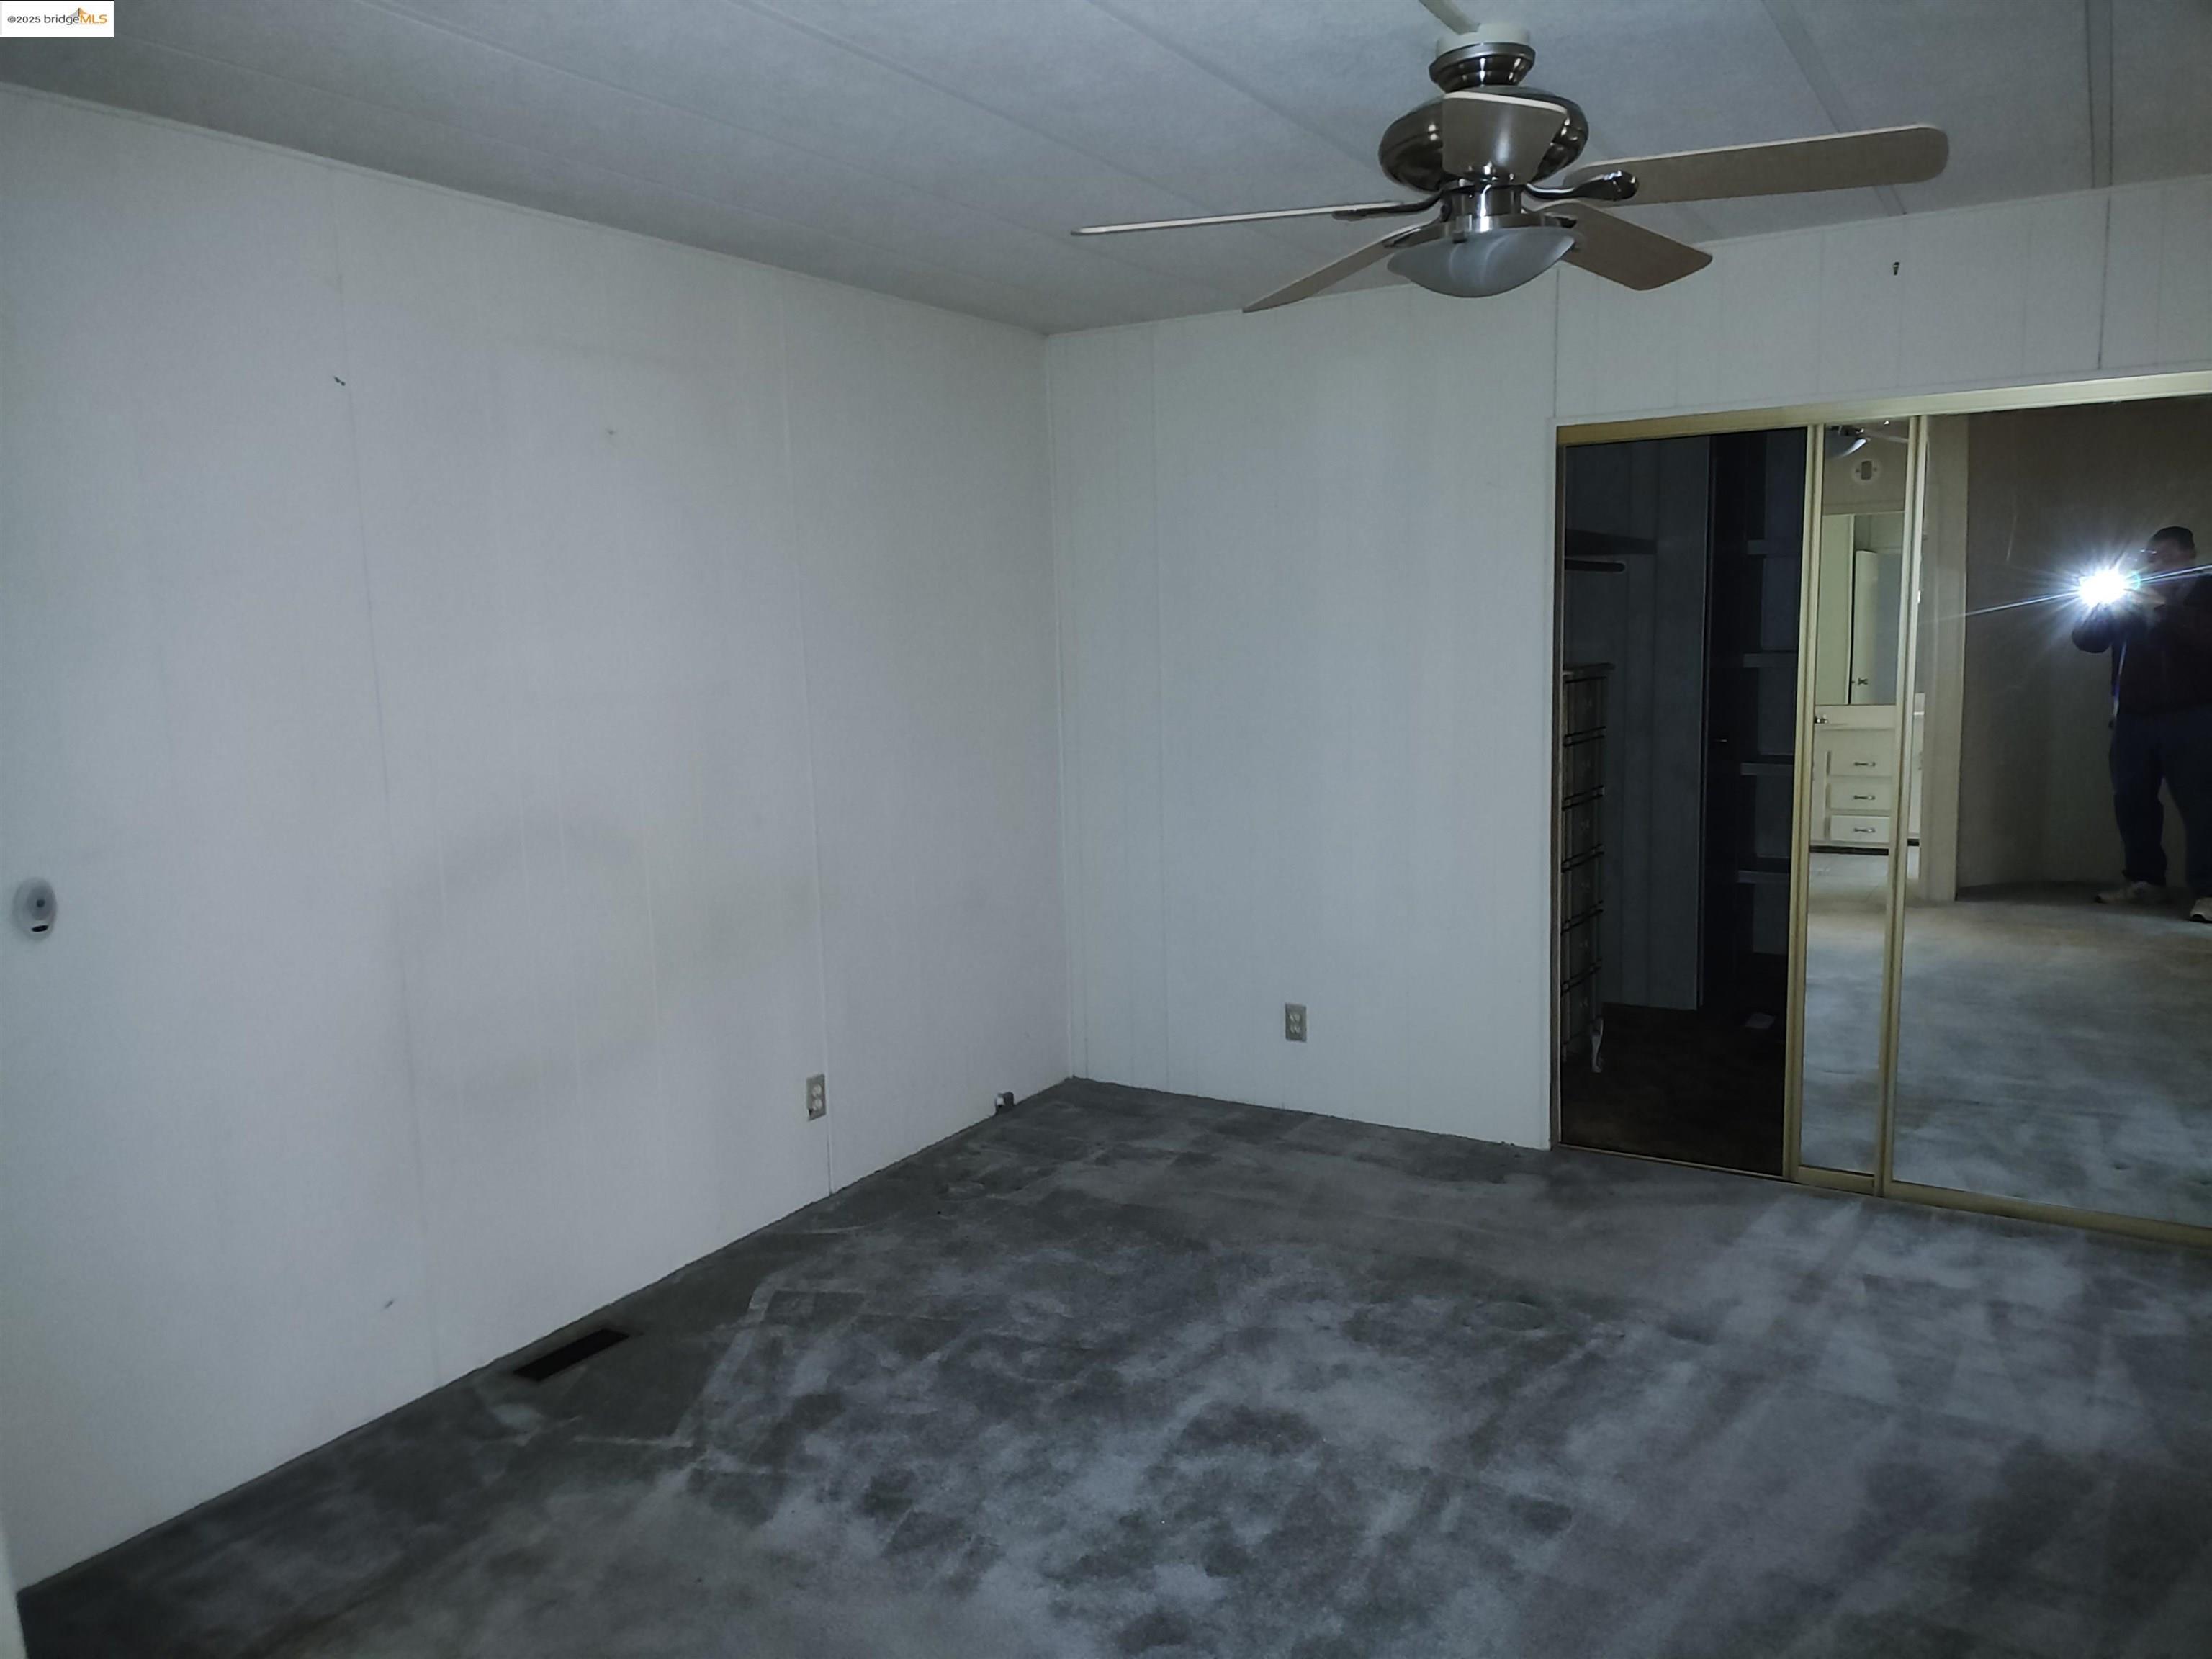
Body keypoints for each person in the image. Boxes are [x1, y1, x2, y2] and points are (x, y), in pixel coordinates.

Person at [2072, 525, 2212, 922]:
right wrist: (2102, 605)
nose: (2156, 565)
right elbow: (2086, 640)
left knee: (2203, 806)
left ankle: (2208, 890)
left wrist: (2161, 609)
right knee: (2132, 803)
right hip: (2134, 719)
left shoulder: (2206, 592)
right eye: (2150, 557)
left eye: (2165, 557)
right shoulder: (2130, 600)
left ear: (2190, 556)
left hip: (2196, 717)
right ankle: (2145, 882)